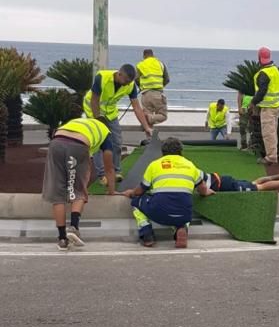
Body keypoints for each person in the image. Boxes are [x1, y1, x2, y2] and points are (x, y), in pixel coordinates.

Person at [122, 137, 213, 248]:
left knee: (136, 201)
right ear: (181, 151)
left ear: (162, 152)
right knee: (184, 208)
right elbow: (202, 190)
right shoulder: (190, 165)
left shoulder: (154, 165)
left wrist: (131, 193)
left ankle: (146, 234)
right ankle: (181, 228)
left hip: (159, 212)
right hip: (183, 214)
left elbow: (140, 190)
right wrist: (207, 192)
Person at [42, 116, 115, 250]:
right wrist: (111, 191)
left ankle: (62, 239)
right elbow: (109, 166)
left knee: (58, 193)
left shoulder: (80, 122)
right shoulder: (105, 131)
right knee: (78, 188)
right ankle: (74, 227)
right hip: (78, 146)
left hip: (56, 143)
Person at [83, 64, 152, 184]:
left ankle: (116, 171)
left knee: (117, 142)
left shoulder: (130, 85)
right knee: (99, 143)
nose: (127, 83)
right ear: (119, 74)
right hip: (93, 110)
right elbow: (94, 100)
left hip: (110, 113)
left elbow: (136, 107)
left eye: (129, 81)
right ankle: (102, 175)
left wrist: (146, 127)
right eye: (125, 80)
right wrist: (97, 120)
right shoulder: (102, 77)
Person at [249, 47, 279, 164]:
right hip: (276, 105)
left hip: (268, 108)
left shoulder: (264, 73)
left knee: (268, 133)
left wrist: (253, 102)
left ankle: (271, 157)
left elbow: (262, 91)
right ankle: (273, 154)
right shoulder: (275, 70)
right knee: (273, 132)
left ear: (259, 57)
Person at [135, 49, 170, 131]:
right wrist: (160, 85)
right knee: (163, 115)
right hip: (158, 94)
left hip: (145, 94)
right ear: (153, 55)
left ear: (144, 56)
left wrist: (141, 86)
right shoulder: (160, 64)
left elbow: (136, 79)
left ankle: (149, 140)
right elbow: (167, 79)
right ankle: (150, 118)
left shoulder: (140, 65)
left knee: (147, 122)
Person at [202, 169, 279, 193]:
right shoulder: (189, 167)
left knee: (259, 187)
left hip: (225, 186)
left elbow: (202, 189)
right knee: (254, 183)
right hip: (222, 180)